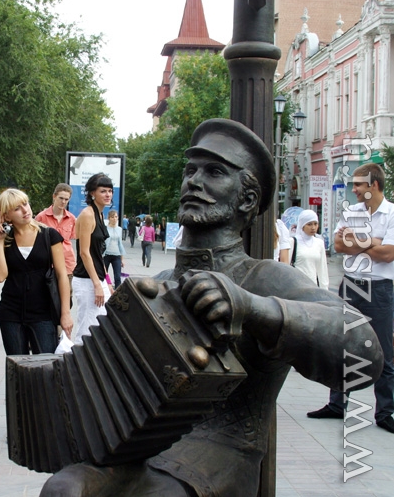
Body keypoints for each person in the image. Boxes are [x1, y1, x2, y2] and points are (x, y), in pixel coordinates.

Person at [41, 119, 382, 497]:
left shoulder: (265, 278)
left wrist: (252, 308)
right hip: (143, 447)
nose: (194, 181)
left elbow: (364, 351)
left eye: (215, 171)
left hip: (222, 452)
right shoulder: (161, 281)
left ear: (247, 199)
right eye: (191, 170)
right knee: (63, 488)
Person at [307, 163, 394, 433]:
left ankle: (386, 412)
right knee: (342, 345)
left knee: (384, 351)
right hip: (351, 286)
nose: (353, 190)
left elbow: (389, 254)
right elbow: (339, 245)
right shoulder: (352, 211)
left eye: (358, 185)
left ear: (374, 186)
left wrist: (358, 241)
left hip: (380, 289)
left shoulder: (392, 213)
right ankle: (336, 404)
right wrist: (373, 241)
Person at [0, 189, 73, 355]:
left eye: (25, 204)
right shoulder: (3, 239)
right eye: (17, 208)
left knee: (46, 368)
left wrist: (65, 314)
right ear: (6, 216)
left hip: (43, 312)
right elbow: (0, 276)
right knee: (17, 368)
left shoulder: (49, 235)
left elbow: (61, 276)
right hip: (11, 313)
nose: (25, 210)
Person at [72, 173, 113, 346]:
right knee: (86, 329)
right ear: (91, 193)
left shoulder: (101, 214)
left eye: (110, 191)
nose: (108, 194)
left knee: (102, 324)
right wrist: (97, 285)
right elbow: (84, 253)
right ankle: (77, 366)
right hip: (87, 279)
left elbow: (98, 254)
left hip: (97, 277)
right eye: (103, 191)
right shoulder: (88, 214)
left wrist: (107, 281)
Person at [36, 183, 76, 297]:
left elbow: (72, 238)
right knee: (46, 298)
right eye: (61, 198)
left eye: (66, 199)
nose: (63, 202)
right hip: (47, 264)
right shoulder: (41, 217)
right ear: (54, 196)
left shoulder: (72, 219)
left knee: (67, 298)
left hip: (67, 264)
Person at [289, 209, 329, 289]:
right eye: (309, 224)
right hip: (297, 287)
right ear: (302, 225)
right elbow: (286, 267)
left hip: (313, 287)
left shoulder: (319, 243)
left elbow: (322, 269)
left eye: (315, 224)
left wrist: (324, 289)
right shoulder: (293, 241)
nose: (313, 227)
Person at [104, 210, 126, 289]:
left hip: (116, 255)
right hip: (106, 255)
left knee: (117, 276)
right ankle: (106, 289)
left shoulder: (119, 229)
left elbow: (120, 244)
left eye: (116, 217)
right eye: (112, 217)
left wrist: (122, 259)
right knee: (104, 275)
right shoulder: (105, 229)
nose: (114, 219)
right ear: (109, 218)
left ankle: (117, 293)